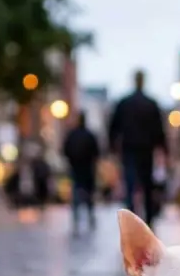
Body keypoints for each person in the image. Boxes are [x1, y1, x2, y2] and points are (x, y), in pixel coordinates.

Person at [109, 70, 167, 227]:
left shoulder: (124, 103)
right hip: (146, 149)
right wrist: (163, 149)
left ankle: (131, 218)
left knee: (130, 183)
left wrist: (112, 147)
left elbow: (113, 127)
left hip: (129, 148)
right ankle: (148, 220)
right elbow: (159, 129)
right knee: (147, 184)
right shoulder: (151, 103)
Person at [63, 112, 100, 233]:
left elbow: (65, 150)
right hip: (88, 168)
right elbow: (96, 152)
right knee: (88, 192)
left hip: (76, 167)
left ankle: (76, 216)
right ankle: (90, 214)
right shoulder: (89, 135)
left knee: (76, 191)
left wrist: (71, 160)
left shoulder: (72, 135)